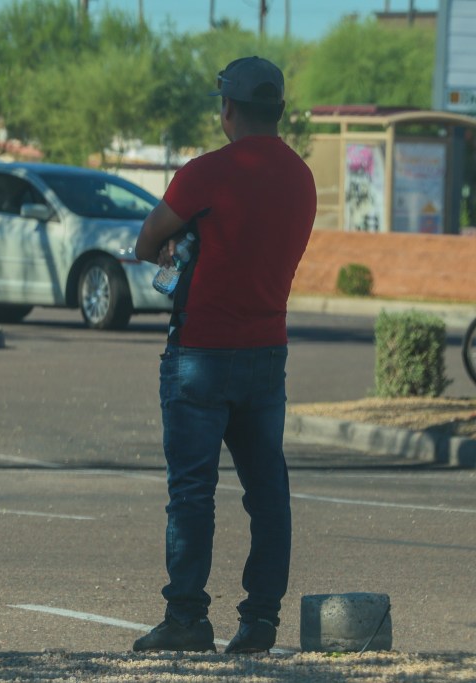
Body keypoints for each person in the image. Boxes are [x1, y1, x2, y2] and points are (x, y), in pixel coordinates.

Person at [131, 56, 317, 655]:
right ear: (280, 109)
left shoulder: (204, 173)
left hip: (201, 352)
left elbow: (145, 241)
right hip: (267, 352)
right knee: (268, 492)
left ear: (227, 109)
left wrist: (185, 243)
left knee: (191, 491)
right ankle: (260, 621)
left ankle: (186, 618)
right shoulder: (302, 178)